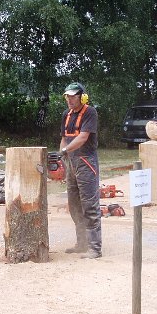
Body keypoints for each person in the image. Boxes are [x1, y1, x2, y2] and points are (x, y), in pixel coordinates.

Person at [60, 82, 102, 259]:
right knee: (74, 205)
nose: (69, 99)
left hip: (86, 162)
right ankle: (82, 243)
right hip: (71, 161)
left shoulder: (90, 112)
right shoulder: (66, 114)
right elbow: (64, 139)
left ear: (82, 97)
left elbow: (83, 137)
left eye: (73, 96)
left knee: (89, 205)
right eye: (67, 96)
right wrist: (61, 157)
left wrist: (64, 151)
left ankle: (95, 248)